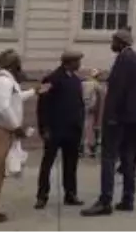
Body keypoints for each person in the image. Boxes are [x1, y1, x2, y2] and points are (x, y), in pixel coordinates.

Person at [0, 50, 49, 223]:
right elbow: (3, 107)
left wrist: (33, 92)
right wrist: (16, 127)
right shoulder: (3, 82)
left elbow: (14, 99)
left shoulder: (5, 81)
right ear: (13, 65)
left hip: (1, 130)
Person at [83, 29, 136, 217]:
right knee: (128, 159)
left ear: (120, 42)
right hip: (134, 118)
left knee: (109, 158)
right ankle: (128, 198)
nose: (112, 44)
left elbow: (118, 90)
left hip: (118, 118)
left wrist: (110, 116)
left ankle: (105, 201)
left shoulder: (123, 60)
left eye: (113, 40)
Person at [35, 51, 86, 209]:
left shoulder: (77, 80)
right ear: (69, 62)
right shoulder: (51, 79)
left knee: (71, 164)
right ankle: (42, 195)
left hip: (72, 129)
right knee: (47, 163)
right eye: (77, 61)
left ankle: (70, 193)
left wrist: (80, 124)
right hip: (55, 129)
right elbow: (42, 105)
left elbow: (79, 104)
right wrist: (44, 128)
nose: (80, 64)